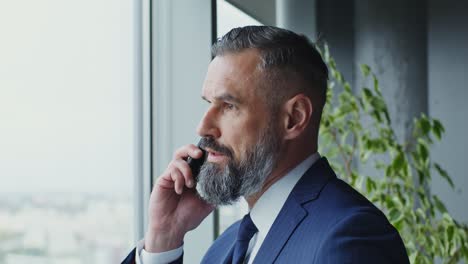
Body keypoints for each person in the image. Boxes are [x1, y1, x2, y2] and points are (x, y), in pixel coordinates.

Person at [122, 26, 409, 264]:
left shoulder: (351, 238)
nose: (203, 127)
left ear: (294, 118)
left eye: (229, 106)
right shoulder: (223, 249)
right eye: (210, 104)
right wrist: (164, 238)